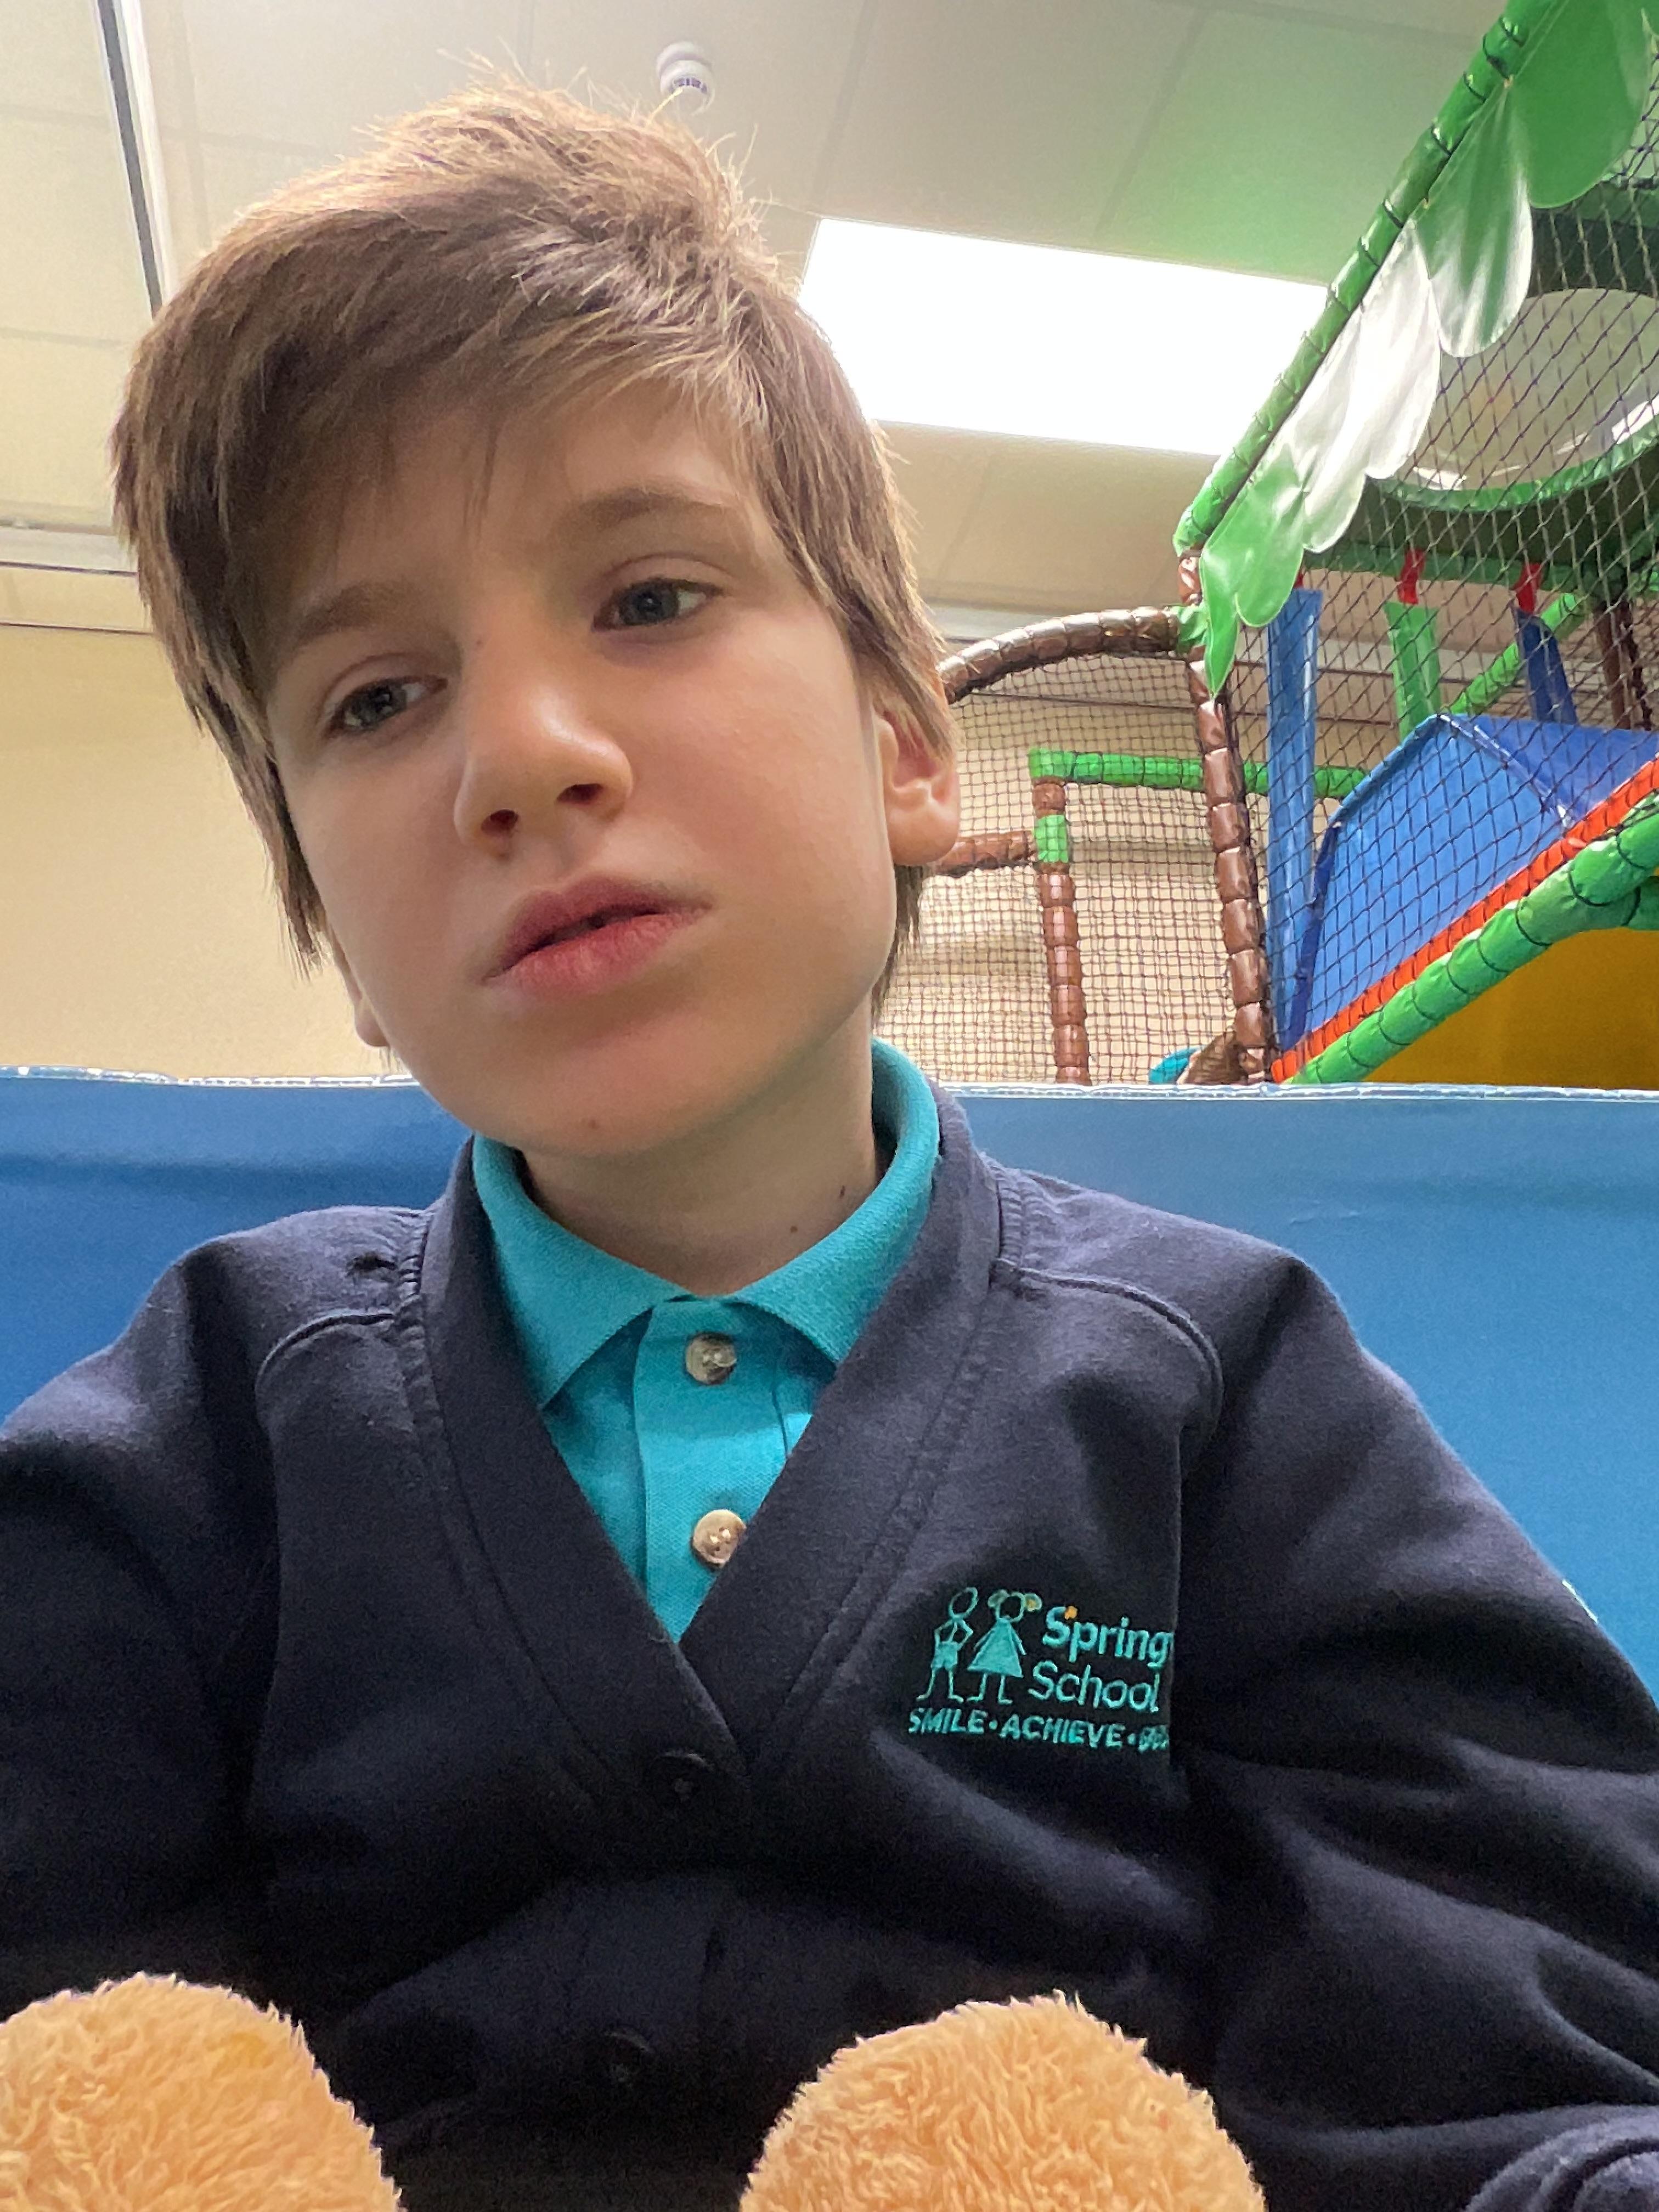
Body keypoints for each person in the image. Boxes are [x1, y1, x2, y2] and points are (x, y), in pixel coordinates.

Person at [4, 78, 1659, 2212]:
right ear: (340, 941)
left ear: (904, 756)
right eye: (376, 701)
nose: (523, 754)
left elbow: (1505, 2043)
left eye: (650, 597)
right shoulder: (217, 1418)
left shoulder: (1220, 1381)